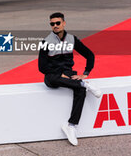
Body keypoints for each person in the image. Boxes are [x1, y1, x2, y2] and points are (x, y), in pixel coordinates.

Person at [38, 12, 101, 146]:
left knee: (80, 90)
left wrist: (86, 72)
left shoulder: (72, 39)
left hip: (69, 73)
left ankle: (71, 126)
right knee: (56, 80)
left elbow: (90, 55)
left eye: (58, 23)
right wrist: (60, 74)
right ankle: (84, 83)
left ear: (64, 23)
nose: (55, 26)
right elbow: (42, 67)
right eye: (52, 24)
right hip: (53, 76)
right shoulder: (46, 42)